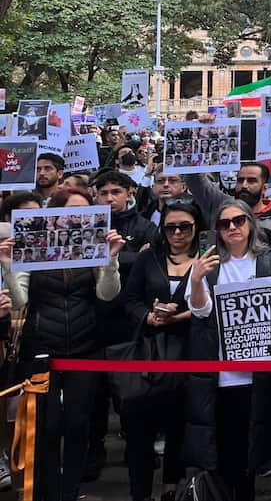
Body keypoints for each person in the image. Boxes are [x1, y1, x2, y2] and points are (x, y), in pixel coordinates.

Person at [1, 182, 125, 501]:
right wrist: (8, 264)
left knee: (77, 423)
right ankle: (44, 491)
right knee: (45, 425)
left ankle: (70, 491)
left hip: (84, 347)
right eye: (71, 212)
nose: (78, 219)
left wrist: (110, 260)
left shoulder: (95, 249)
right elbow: (20, 300)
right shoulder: (36, 246)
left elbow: (107, 294)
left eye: (85, 212)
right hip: (41, 348)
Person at [186, 199, 271, 501]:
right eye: (224, 223)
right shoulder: (209, 262)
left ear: (250, 224)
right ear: (217, 230)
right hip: (220, 371)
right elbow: (201, 311)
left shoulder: (268, 261)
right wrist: (196, 279)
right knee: (223, 447)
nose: (232, 227)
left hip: (255, 371)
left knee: (250, 448)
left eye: (239, 220)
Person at [122, 196, 202, 501]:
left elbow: (213, 303)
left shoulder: (207, 259)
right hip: (149, 352)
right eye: (170, 228)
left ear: (196, 227)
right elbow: (130, 300)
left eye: (185, 227)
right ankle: (140, 492)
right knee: (140, 427)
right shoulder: (148, 258)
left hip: (191, 351)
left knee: (178, 423)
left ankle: (172, 487)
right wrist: (149, 316)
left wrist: (180, 316)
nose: (178, 233)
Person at [234, 161, 271, 245]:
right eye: (240, 180)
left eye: (251, 181)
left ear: (264, 188)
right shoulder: (226, 214)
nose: (244, 185)